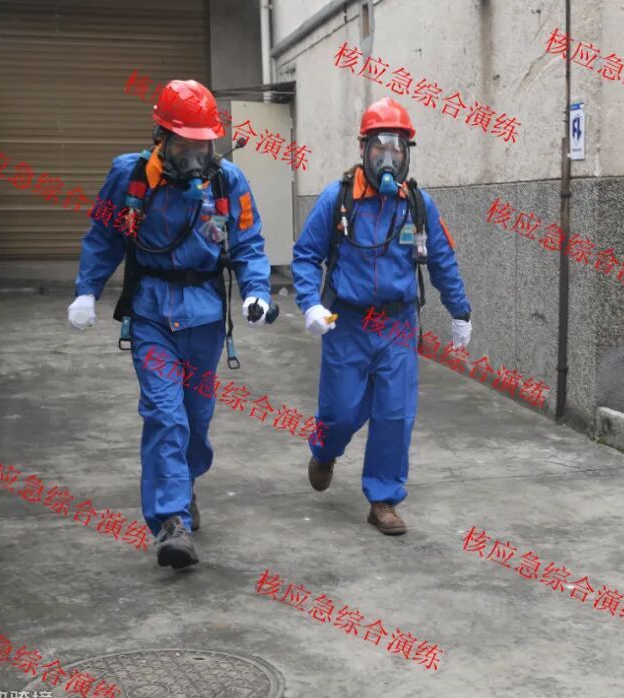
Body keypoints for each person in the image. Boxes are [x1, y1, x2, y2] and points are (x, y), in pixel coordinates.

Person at [67, 79, 275, 569]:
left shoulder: (227, 182)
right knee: (165, 414)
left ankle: (186, 483)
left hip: (205, 317)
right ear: (161, 136)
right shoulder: (129, 177)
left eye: (205, 144)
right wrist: (86, 289)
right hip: (152, 314)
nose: (197, 155)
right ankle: (171, 522)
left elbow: (248, 242)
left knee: (196, 420)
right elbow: (104, 235)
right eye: (186, 144)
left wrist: (258, 291)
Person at [291, 97, 472, 535]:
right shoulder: (337, 200)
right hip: (347, 323)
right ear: (363, 149)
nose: (388, 158)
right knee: (340, 411)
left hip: (397, 325)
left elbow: (442, 260)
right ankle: (324, 451)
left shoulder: (417, 205)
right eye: (379, 148)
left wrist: (460, 311)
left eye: (397, 148)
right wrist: (310, 303)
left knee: (394, 414)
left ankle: (383, 499)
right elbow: (306, 255)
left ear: (407, 153)